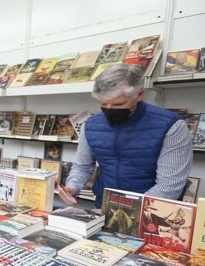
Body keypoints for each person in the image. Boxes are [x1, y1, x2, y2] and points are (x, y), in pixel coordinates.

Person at [58, 63, 193, 209]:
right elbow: (82, 166)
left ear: (140, 94)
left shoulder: (171, 126)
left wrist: (127, 210)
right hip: (105, 208)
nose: (109, 110)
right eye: (103, 104)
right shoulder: (91, 125)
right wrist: (72, 187)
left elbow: (169, 186)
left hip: (153, 213)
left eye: (118, 104)